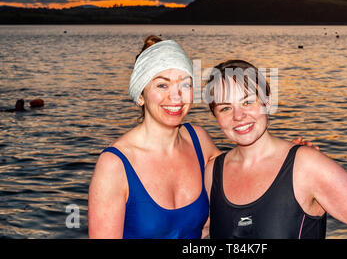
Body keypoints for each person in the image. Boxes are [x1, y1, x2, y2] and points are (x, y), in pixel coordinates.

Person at [88, 36, 316, 239]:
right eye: (162, 85)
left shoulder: (198, 141)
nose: (175, 97)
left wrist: (291, 159)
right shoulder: (114, 165)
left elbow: (244, 175)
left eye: (184, 84)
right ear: (140, 96)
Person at [203, 60, 347, 239]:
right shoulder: (213, 172)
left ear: (268, 102)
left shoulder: (305, 165)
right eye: (225, 108)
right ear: (215, 116)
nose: (239, 116)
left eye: (248, 102)